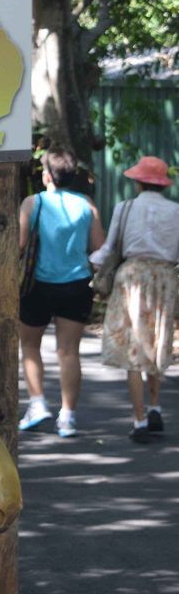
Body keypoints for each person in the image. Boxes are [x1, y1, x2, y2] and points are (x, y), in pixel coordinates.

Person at [89, 155, 179, 443]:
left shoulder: (125, 207)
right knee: (157, 341)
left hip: (132, 277)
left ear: (138, 182)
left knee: (134, 347)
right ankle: (155, 406)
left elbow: (108, 250)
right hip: (165, 278)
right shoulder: (176, 212)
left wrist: (89, 263)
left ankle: (139, 421)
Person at [18, 147, 106, 437]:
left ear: (46, 176)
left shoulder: (34, 203)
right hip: (77, 285)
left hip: (38, 286)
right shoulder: (87, 205)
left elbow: (19, 246)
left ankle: (37, 403)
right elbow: (99, 248)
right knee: (69, 352)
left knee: (30, 346)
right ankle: (67, 417)